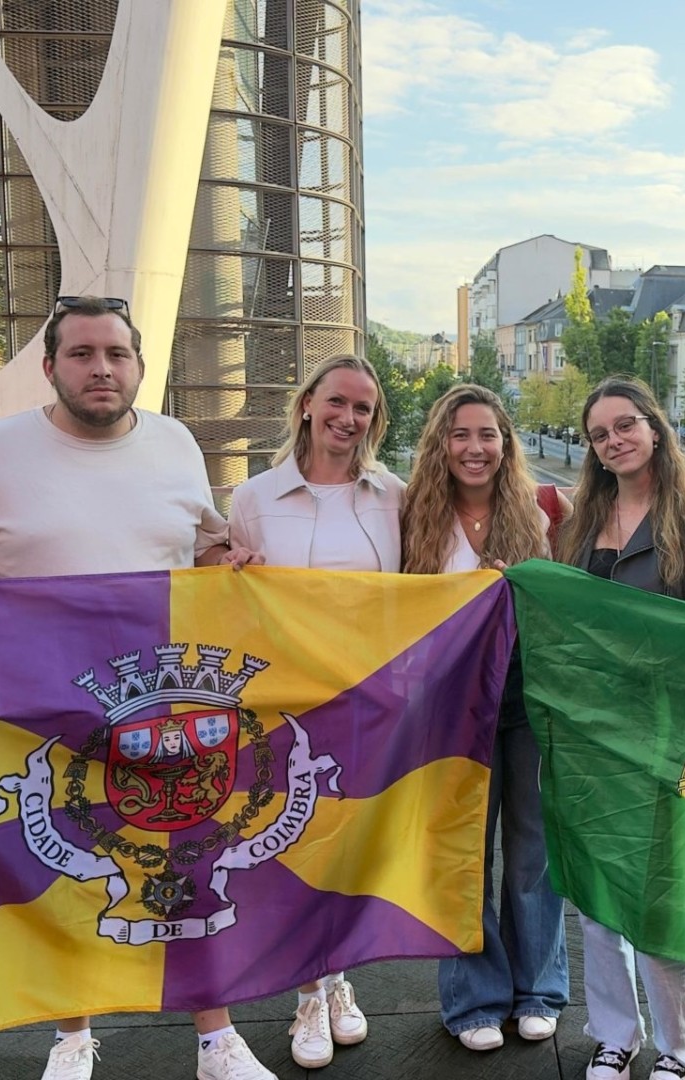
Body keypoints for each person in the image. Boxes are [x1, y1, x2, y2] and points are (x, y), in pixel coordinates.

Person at [0, 296, 261, 1080]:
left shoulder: (177, 443)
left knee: (191, 857)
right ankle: (71, 1038)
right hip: (44, 705)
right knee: (67, 866)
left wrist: (231, 570)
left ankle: (216, 1038)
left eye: (116, 353)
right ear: (50, 368)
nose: (101, 368)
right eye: (81, 354)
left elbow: (203, 546)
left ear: (141, 366)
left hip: (164, 700)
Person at [557, 377, 685, 1080]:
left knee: (660, 896)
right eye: (600, 434)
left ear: (655, 428)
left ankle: (680, 1045)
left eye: (625, 425)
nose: (614, 441)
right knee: (598, 898)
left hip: (667, 733)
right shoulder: (582, 519)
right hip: (590, 733)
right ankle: (614, 1035)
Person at [226, 353, 395, 1070]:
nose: (348, 419)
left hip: (367, 701)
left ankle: (338, 978)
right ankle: (308, 993)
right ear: (306, 404)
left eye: (363, 409)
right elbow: (228, 599)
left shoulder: (393, 494)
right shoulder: (255, 496)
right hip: (284, 705)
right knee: (292, 845)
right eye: (336, 402)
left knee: (349, 844)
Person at [400, 384, 569, 1053]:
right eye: (461, 435)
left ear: (507, 443)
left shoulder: (544, 511)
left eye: (488, 435)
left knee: (533, 851)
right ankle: (474, 998)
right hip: (446, 703)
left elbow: (567, 609)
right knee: (462, 851)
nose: (475, 449)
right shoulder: (413, 514)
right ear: (441, 443)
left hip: (525, 696)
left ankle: (539, 991)